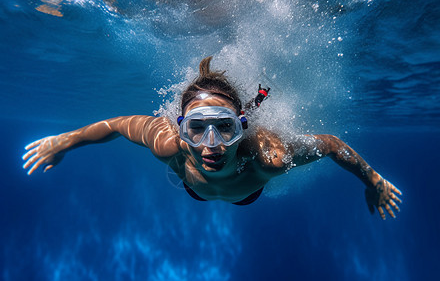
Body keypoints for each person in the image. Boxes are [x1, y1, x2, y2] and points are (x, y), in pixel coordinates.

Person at [22, 56, 402, 219]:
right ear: (180, 128)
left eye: (225, 128)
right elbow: (118, 125)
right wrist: (64, 141)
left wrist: (373, 180)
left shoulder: (267, 158)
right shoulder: (168, 144)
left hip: (246, 193)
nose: (211, 145)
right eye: (196, 129)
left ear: (242, 127)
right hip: (198, 186)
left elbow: (332, 144)